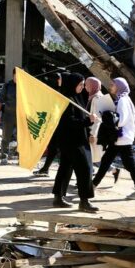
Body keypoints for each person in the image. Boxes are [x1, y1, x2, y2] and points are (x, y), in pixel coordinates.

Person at [52, 73, 98, 212]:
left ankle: (58, 197)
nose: (82, 87)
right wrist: (87, 121)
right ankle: (84, 201)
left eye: (83, 84)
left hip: (76, 139)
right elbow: (69, 122)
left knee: (65, 168)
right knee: (85, 168)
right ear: (72, 84)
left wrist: (88, 127)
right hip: (72, 141)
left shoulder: (76, 97)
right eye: (80, 84)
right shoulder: (66, 100)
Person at [92, 78, 135, 200]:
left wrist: (108, 116)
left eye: (113, 84)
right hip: (121, 138)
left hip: (122, 138)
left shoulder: (122, 100)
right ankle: (93, 185)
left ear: (119, 86)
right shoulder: (124, 99)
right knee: (106, 161)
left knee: (128, 165)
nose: (110, 86)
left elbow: (121, 121)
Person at [84, 77, 120, 183]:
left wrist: (93, 134)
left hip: (96, 132)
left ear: (92, 86)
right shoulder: (94, 96)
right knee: (94, 156)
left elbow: (97, 118)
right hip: (94, 131)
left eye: (87, 84)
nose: (85, 86)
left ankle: (87, 179)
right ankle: (113, 170)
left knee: (93, 156)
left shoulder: (96, 98)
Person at [33, 72, 62, 177]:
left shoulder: (66, 93)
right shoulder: (52, 90)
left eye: (59, 79)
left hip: (63, 126)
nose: (58, 81)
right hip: (54, 124)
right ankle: (45, 169)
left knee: (62, 150)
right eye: (57, 79)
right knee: (53, 148)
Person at [0, 69, 17, 165]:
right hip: (8, 115)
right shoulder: (7, 86)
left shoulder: (25, 86)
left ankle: (22, 157)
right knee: (6, 137)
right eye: (16, 75)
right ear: (13, 75)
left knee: (22, 138)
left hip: (21, 116)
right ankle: (3, 156)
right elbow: (0, 101)